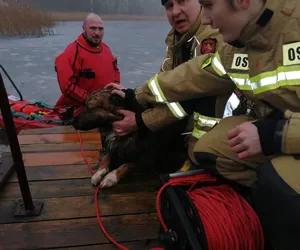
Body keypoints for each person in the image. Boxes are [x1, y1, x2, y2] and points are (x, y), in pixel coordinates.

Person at [111, 0, 300, 248]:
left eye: (209, 5)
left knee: (276, 185)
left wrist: (275, 135)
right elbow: (198, 74)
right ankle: (253, 220)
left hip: (285, 133)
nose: (207, 18)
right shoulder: (239, 42)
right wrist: (138, 94)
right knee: (209, 151)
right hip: (277, 128)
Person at [111, 0, 232, 168]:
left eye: (181, 1)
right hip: (188, 123)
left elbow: (190, 95)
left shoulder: (213, 37)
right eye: (169, 5)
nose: (175, 12)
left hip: (217, 133)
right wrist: (134, 96)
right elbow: (165, 85)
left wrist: (140, 120)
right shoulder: (177, 40)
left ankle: (194, 162)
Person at [53, 13, 120, 120]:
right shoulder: (71, 53)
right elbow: (67, 86)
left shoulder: (106, 49)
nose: (97, 33)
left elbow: (116, 71)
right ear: (84, 28)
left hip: (105, 104)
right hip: (79, 108)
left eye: (100, 29)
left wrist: (113, 92)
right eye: (93, 28)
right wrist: (90, 99)